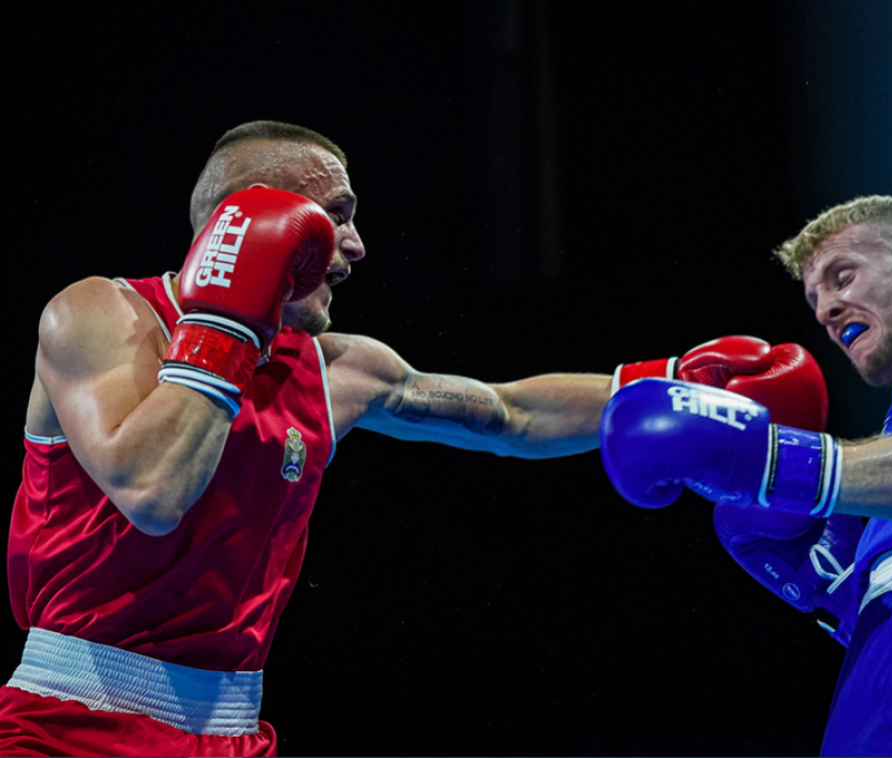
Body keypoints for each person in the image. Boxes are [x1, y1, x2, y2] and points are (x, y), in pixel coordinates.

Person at [0, 121, 826, 757]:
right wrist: (224, 321)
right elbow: (151, 490)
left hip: (233, 726)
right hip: (70, 720)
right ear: (251, 220)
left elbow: (506, 415)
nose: (355, 247)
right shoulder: (102, 315)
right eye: (336, 218)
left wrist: (671, 379)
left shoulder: (336, 368)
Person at [601, 195, 892, 756]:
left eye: (841, 276)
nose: (825, 308)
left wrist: (767, 460)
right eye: (815, 297)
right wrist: (840, 590)